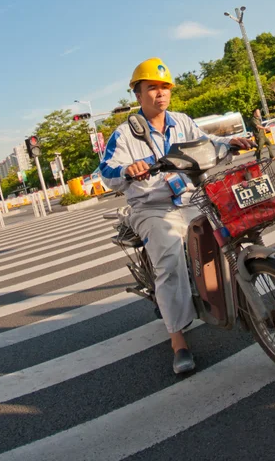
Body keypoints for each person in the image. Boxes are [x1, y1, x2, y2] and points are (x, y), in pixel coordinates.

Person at [100, 58, 253, 375]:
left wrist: (231, 143)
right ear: (138, 94)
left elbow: (207, 143)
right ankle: (178, 342)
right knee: (169, 258)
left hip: (189, 198)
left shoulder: (182, 122)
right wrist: (128, 170)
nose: (160, 94)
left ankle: (237, 297)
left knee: (230, 234)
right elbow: (105, 173)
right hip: (151, 207)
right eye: (152, 88)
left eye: (165, 87)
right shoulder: (124, 134)